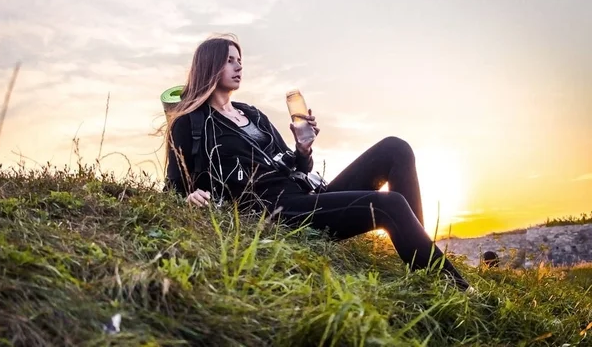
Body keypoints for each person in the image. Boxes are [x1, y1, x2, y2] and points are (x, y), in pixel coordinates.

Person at [163, 35, 471, 291]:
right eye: (229, 60)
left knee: (396, 148)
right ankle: (454, 287)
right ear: (209, 65)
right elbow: (173, 187)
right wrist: (191, 196)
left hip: (307, 194)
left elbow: (298, 168)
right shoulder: (191, 123)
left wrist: (303, 149)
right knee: (389, 204)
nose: (238, 65)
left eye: (239, 59)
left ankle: (418, 252)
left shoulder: (252, 113)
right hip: (275, 209)